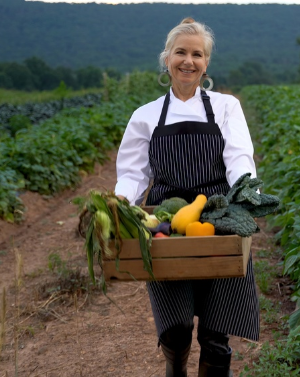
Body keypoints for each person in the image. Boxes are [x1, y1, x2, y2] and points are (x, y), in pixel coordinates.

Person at [114, 18, 259, 377]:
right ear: (167, 59)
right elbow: (133, 174)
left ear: (206, 63)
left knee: (215, 334)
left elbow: (239, 158)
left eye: (197, 54)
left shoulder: (226, 108)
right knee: (176, 330)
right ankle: (174, 363)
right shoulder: (145, 116)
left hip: (218, 221)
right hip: (165, 227)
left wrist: (244, 192)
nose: (188, 61)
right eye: (181, 52)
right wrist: (119, 205)